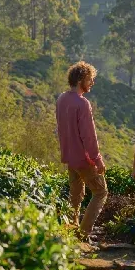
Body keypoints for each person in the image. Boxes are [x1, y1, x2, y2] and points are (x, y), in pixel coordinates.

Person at [56, 61, 108, 239]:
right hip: (83, 159)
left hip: (69, 157)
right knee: (100, 192)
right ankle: (83, 234)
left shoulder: (61, 99)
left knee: (76, 195)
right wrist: (97, 159)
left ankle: (70, 229)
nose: (92, 82)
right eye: (90, 79)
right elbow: (89, 136)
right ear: (80, 80)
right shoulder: (82, 103)